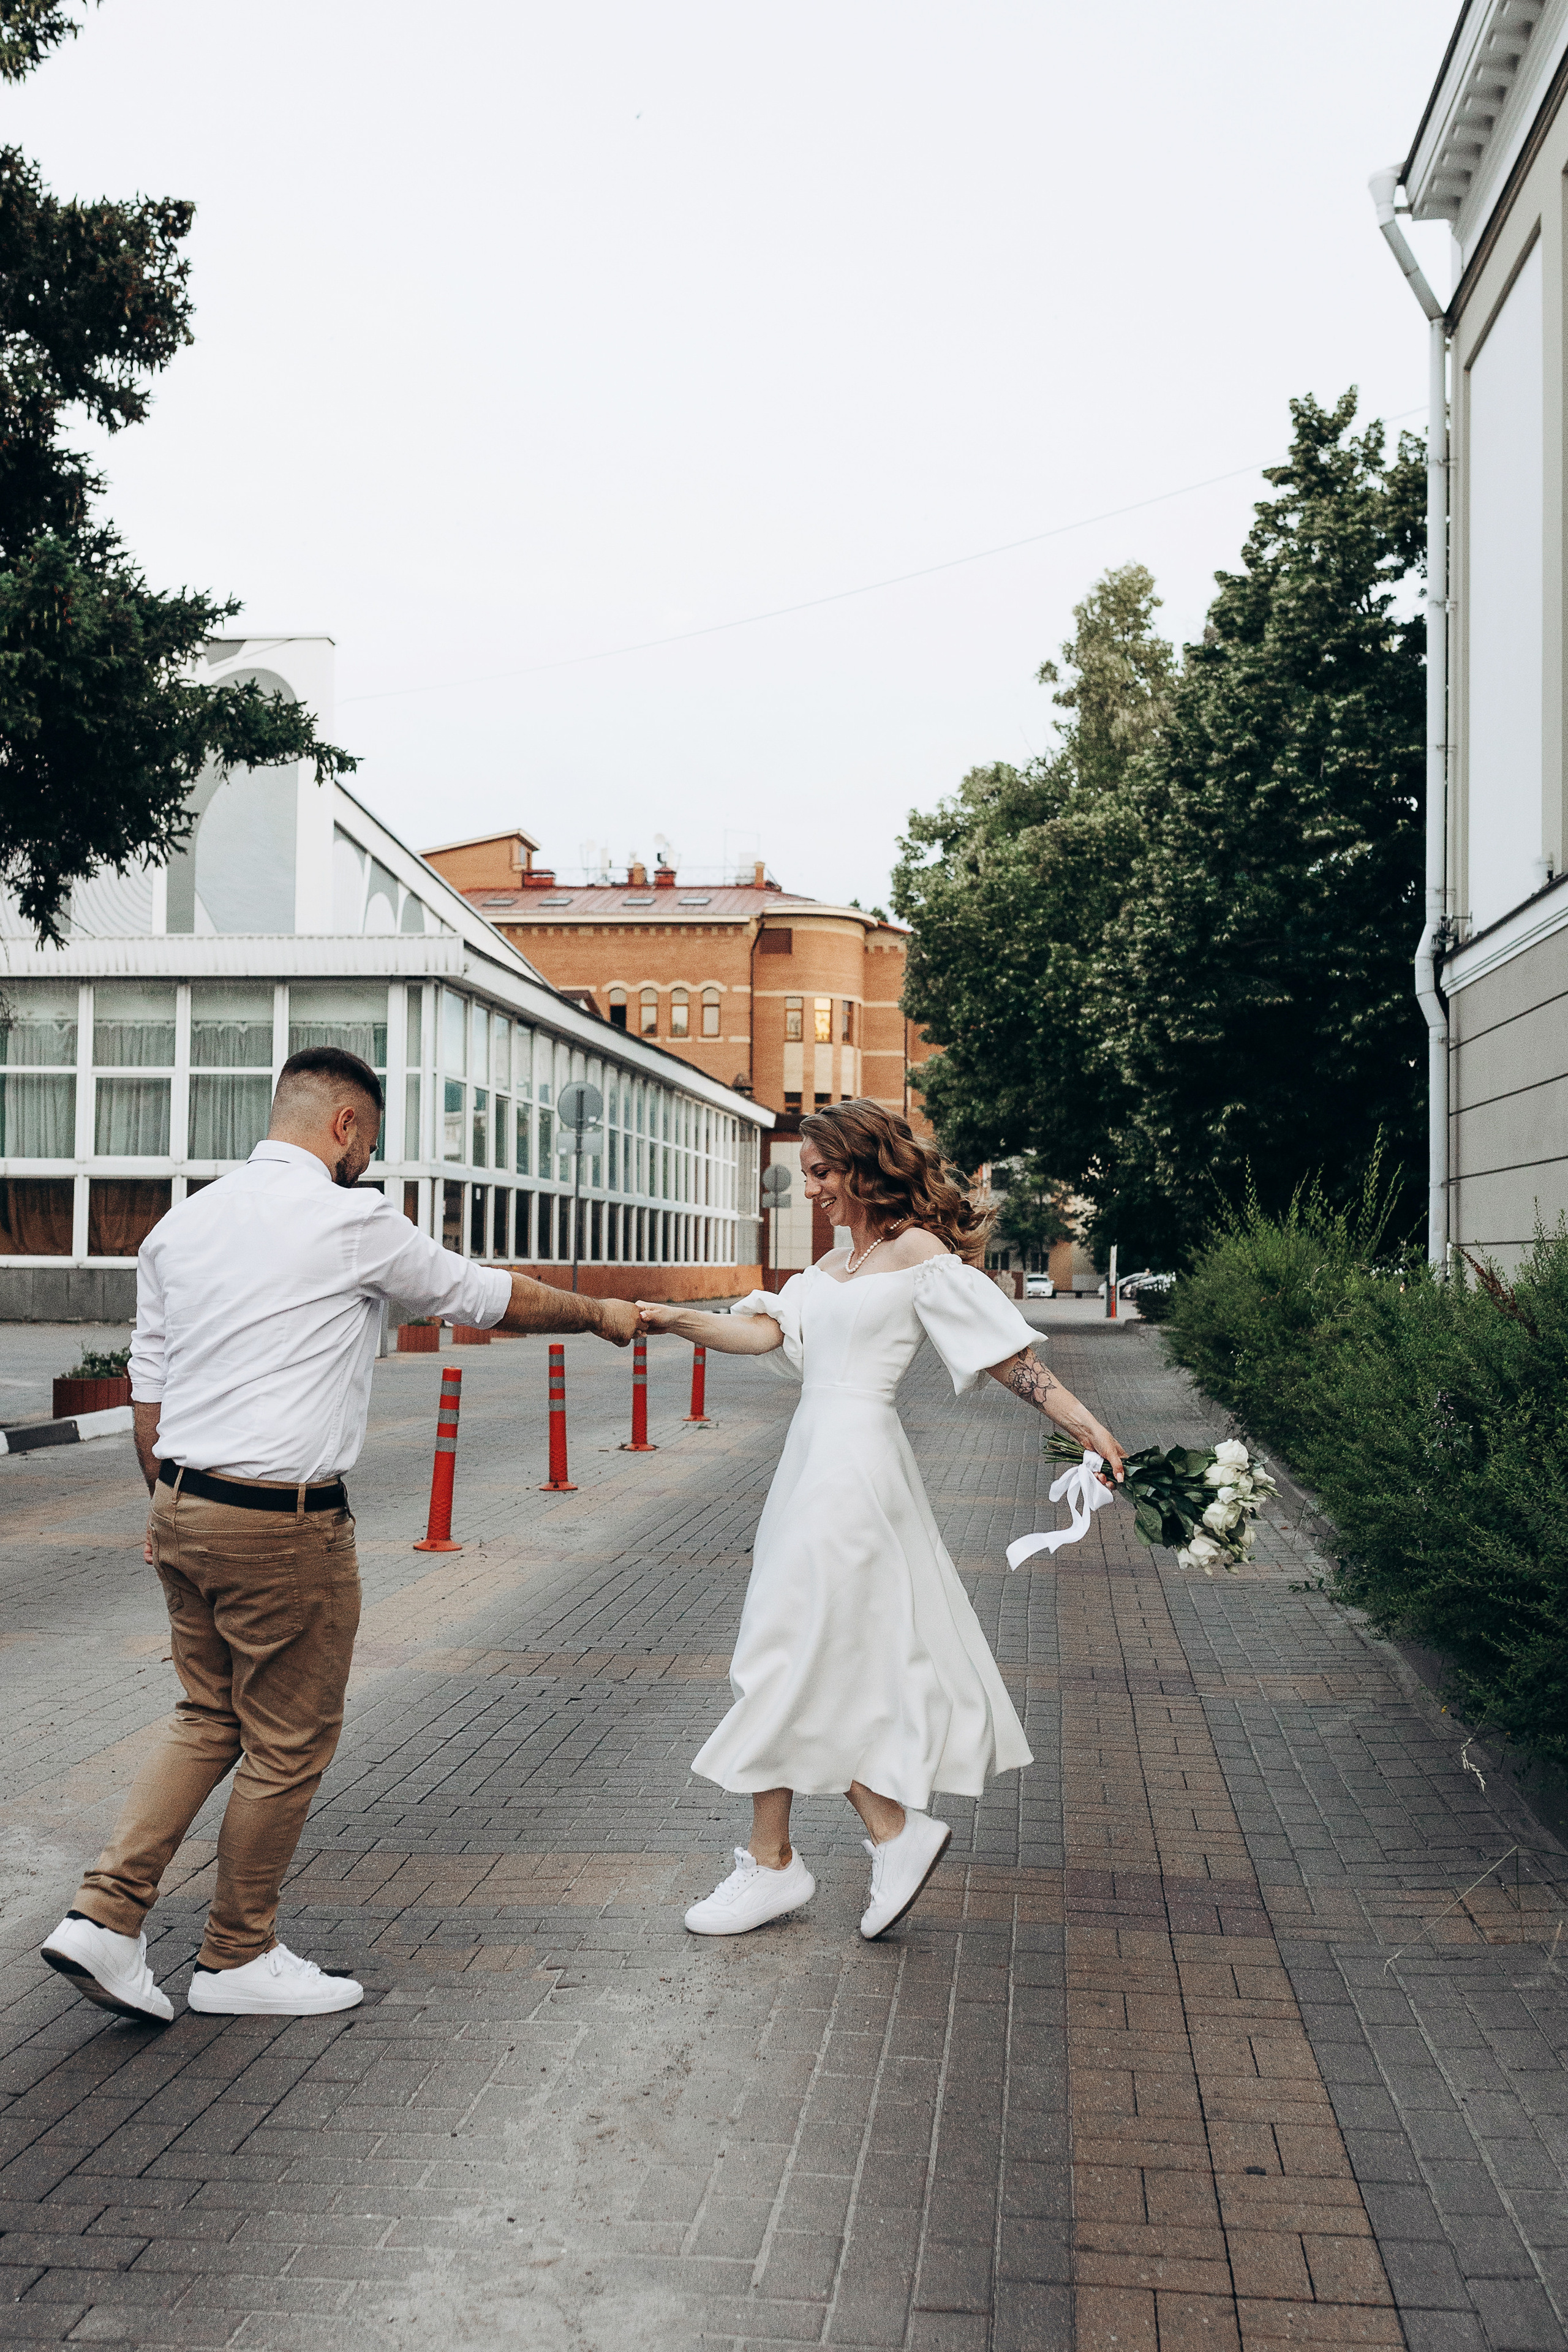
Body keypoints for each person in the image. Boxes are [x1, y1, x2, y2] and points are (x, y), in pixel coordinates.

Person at [42, 1046, 637, 2024]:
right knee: (287, 1743)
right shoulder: (350, 1218)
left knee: (207, 1716)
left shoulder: (180, 1228)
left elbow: (151, 1392)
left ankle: (106, 1915)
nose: (365, 1162)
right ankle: (236, 1956)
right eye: (368, 1144)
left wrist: (166, 1505)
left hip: (183, 1505)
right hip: (283, 1527)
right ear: (347, 1128)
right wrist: (604, 1313)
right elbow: (488, 1295)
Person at [638, 1099, 1125, 1942]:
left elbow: (1008, 1358)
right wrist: (677, 1318)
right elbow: (766, 1338)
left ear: (865, 1167)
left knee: (786, 1647)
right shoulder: (832, 1265)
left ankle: (809, 1856)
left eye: (823, 1174)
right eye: (810, 1176)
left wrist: (1086, 1425)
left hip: (857, 1471)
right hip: (810, 1465)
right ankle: (819, 1850)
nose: (812, 1189)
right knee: (799, 1646)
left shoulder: (918, 1256)